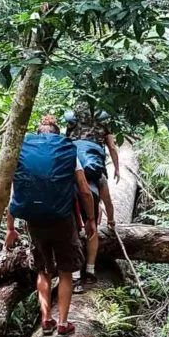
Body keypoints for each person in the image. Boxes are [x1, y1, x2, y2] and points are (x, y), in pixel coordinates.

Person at [6, 115, 96, 337]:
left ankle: (46, 320)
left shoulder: (24, 154)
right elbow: (84, 190)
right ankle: (63, 323)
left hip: (34, 221)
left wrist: (10, 228)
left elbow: (13, 194)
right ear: (57, 135)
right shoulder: (66, 153)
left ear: (38, 136)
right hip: (63, 220)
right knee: (66, 272)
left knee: (43, 271)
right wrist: (91, 219)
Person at [65, 102, 121, 286]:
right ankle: (90, 269)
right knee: (93, 228)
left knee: (71, 229)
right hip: (93, 174)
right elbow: (112, 147)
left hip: (71, 174)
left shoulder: (71, 123)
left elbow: (63, 144)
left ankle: (74, 275)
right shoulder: (104, 123)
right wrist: (111, 221)